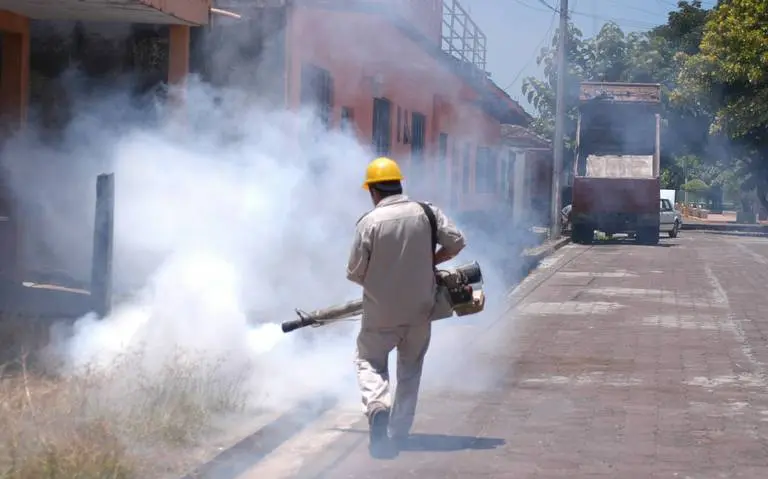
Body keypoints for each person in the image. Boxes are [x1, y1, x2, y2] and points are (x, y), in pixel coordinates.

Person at [346, 156, 466, 453]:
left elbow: (355, 272)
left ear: (373, 191)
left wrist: (383, 284)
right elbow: (456, 242)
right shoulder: (427, 212)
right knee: (410, 370)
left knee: (369, 361)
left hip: (380, 312)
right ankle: (399, 432)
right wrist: (430, 261)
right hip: (420, 310)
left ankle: (377, 405)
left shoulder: (368, 222)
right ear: (399, 184)